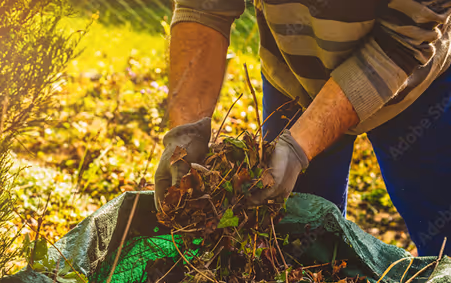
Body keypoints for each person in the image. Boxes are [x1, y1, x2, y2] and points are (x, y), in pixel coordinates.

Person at [154, 0, 451, 256]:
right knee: (298, 246)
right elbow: (204, 8)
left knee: (441, 229)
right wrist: (185, 130)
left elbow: (403, 40)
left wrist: (299, 146)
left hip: (416, 90)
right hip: (295, 79)